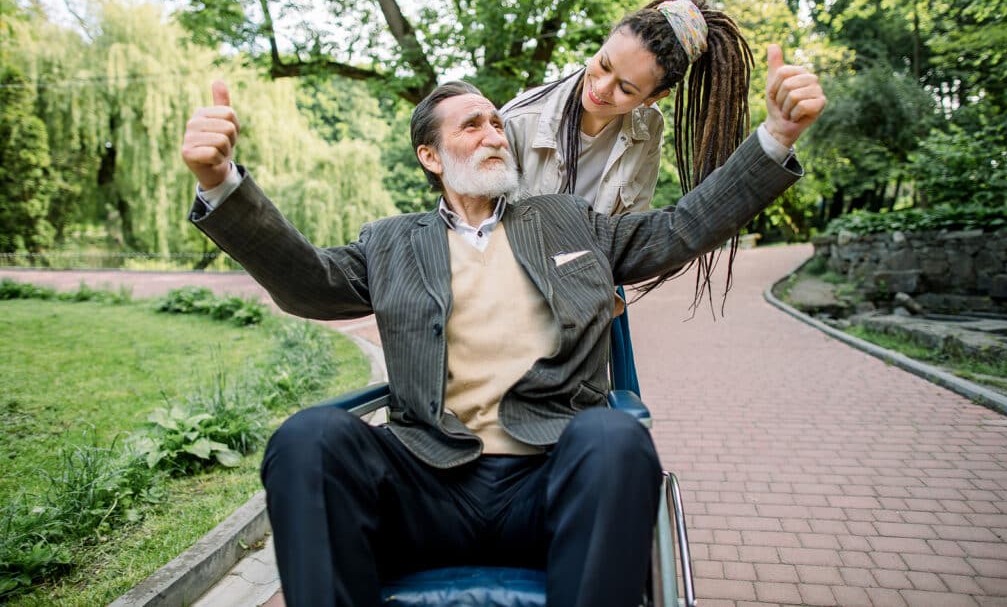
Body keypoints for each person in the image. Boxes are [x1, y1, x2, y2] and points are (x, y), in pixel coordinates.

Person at [179, 45, 824, 606]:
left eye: (496, 120)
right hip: (427, 484)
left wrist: (774, 138)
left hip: (549, 480)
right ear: (431, 157)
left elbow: (682, 226)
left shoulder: (569, 222)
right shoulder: (391, 242)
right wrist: (221, 182)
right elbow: (308, 285)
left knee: (613, 437)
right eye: (471, 125)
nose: (494, 132)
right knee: (308, 437)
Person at [502, 0, 814, 391]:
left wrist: (777, 135)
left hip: (587, 311)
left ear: (654, 97)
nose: (600, 88)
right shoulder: (516, 122)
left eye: (626, 89)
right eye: (602, 64)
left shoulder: (647, 128)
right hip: (514, 307)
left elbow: (633, 233)